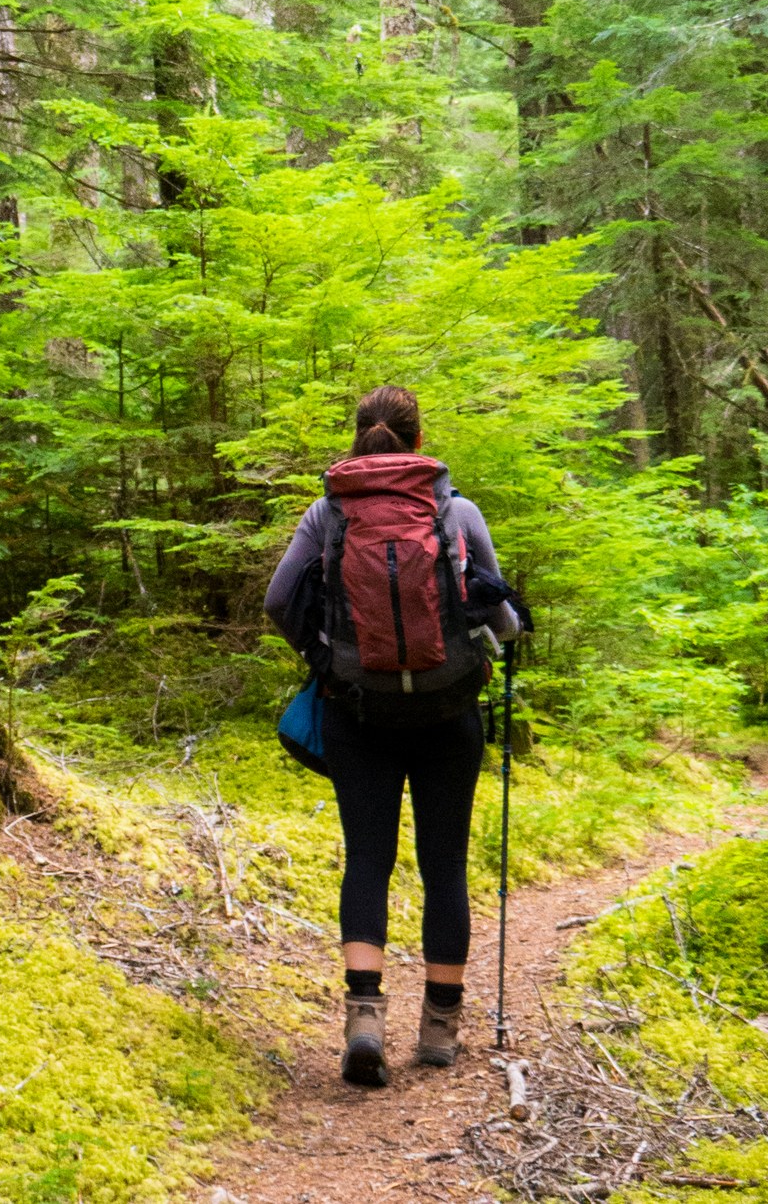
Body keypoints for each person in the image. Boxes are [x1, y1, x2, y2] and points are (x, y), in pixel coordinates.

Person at [263, 384, 520, 1087]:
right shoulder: (454, 509)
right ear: (416, 437)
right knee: (445, 864)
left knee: (367, 858)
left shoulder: (328, 511)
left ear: (359, 437)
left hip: (358, 711)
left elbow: (279, 599)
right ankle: (439, 1028)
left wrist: (326, 659)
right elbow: (502, 619)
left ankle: (365, 1019)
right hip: (447, 716)